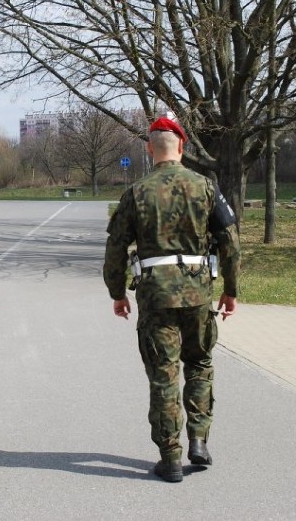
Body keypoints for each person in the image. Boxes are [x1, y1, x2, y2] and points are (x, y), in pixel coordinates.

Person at [103, 117, 241, 483]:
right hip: (197, 295)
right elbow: (230, 242)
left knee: (163, 376)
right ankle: (198, 439)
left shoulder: (136, 192)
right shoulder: (206, 187)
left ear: (150, 150)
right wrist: (231, 289)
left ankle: (171, 457)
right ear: (182, 147)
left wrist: (117, 293)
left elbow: (115, 249)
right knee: (199, 363)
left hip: (156, 298)